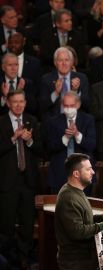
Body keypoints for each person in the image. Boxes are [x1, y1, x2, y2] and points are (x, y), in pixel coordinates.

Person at [55, 153, 103, 270]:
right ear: (76, 174)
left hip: (83, 260)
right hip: (75, 263)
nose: (92, 172)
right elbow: (77, 231)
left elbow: (84, 220)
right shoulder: (69, 197)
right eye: (88, 169)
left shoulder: (76, 191)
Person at [0, 91, 42, 269]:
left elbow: (41, 149)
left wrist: (30, 141)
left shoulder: (32, 121)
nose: (18, 105)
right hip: (7, 182)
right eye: (14, 102)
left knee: (27, 224)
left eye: (21, 102)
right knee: (6, 224)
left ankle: (24, 259)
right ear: (8, 103)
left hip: (28, 181)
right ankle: (7, 261)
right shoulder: (1, 122)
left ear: (25, 103)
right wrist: (13, 138)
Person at [45, 91, 96, 193]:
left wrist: (77, 134)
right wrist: (66, 138)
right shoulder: (54, 121)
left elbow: (92, 145)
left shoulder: (88, 120)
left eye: (71, 105)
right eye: (66, 106)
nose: (68, 109)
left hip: (83, 173)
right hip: (59, 173)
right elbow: (49, 147)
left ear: (78, 104)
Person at [39, 47, 90, 120]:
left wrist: (75, 92)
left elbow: (87, 105)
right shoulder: (46, 79)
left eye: (67, 60)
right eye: (60, 60)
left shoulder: (82, 78)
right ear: (55, 63)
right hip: (54, 122)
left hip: (76, 121)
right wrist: (56, 93)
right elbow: (42, 106)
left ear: (72, 62)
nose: (64, 63)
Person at [0, 53, 37, 117]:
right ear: (3, 67)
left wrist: (19, 92)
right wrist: (5, 97)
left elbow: (33, 108)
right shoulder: (1, 84)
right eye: (10, 65)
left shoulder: (27, 83)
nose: (13, 68)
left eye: (16, 65)